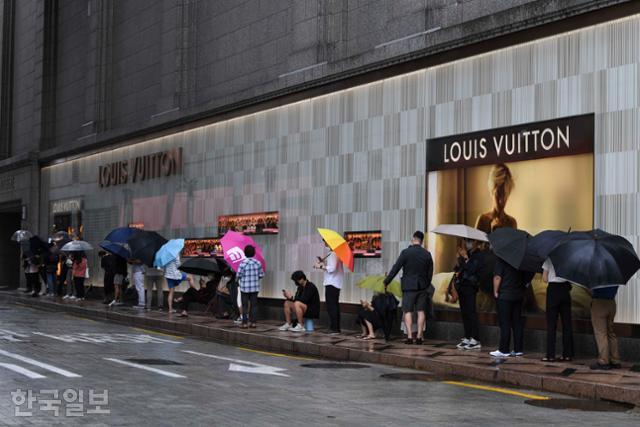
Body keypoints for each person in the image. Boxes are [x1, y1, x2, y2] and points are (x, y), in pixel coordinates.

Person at [383, 231, 433, 345]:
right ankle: (419, 336)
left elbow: (396, 268)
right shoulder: (427, 254)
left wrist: (387, 281)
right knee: (421, 311)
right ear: (422, 241)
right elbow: (430, 273)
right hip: (422, 287)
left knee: (408, 311)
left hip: (409, 287)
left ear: (413, 239)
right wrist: (426, 284)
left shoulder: (406, 252)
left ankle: (410, 336)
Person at [490, 258, 534, 358]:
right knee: (517, 323)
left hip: (505, 296)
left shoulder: (501, 260)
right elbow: (527, 277)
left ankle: (504, 349)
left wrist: (495, 291)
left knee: (505, 323)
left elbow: (497, 277)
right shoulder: (521, 261)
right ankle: (518, 349)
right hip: (518, 295)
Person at [542, 257, 574, 362]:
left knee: (551, 324)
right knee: (567, 324)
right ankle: (567, 354)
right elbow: (571, 279)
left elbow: (545, 278)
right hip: (565, 290)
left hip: (553, 290)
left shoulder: (549, 259)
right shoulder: (568, 259)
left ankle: (550, 355)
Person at [454, 238, 483, 350]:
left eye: (470, 241)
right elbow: (458, 269)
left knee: (471, 312)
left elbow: (472, 270)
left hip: (471, 287)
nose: (468, 243)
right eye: (466, 241)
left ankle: (475, 339)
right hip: (462, 287)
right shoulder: (467, 254)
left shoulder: (478, 255)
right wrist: (459, 259)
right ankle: (467, 336)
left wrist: (466, 258)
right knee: (464, 313)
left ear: (475, 242)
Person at [475, 163, 517, 234]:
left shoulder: (511, 223)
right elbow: (472, 245)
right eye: (498, 194)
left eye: (504, 195)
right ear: (491, 191)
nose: (501, 201)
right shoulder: (482, 220)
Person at [314, 241, 344, 334]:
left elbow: (332, 268)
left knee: (332, 306)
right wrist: (324, 261)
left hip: (332, 283)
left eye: (326, 242)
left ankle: (334, 328)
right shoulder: (334, 253)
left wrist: (320, 266)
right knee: (334, 306)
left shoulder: (333, 254)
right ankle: (335, 327)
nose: (325, 243)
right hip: (335, 283)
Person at [590, 285, 621, 370]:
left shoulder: (597, 276)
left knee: (601, 333)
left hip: (599, 303)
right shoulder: (615, 275)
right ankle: (615, 360)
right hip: (611, 303)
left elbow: (592, 290)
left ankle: (604, 361)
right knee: (610, 332)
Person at [236, 245, 264, 328]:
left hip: (244, 288)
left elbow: (238, 275)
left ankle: (244, 323)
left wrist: (237, 280)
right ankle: (253, 323)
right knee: (254, 305)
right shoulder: (258, 263)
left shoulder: (242, 263)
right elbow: (261, 275)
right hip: (255, 288)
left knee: (245, 305)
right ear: (254, 253)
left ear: (245, 253)